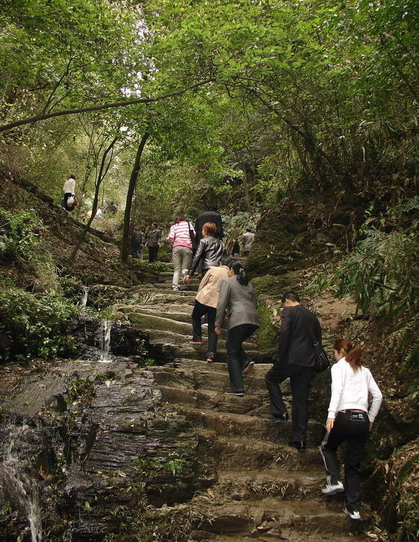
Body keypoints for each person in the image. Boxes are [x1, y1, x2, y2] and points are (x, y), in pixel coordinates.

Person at [319, 339, 383, 521]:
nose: (334, 356)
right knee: (353, 466)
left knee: (327, 446)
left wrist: (331, 415)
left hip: (344, 416)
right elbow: (378, 396)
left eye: (334, 353)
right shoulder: (365, 371)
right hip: (362, 419)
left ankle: (334, 481)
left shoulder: (338, 367)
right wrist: (370, 418)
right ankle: (353, 508)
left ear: (340, 352)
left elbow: (337, 391)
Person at [264, 292, 322, 452]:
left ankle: (280, 411)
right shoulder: (311, 316)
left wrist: (280, 355)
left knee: (270, 379)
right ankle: (300, 439)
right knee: (301, 400)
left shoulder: (289, 311)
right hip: (308, 362)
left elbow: (284, 333)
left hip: (290, 358)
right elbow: (318, 339)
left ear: (287, 301)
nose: (283, 308)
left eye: (283, 305)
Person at [215, 261, 259, 396]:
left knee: (232, 353)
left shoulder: (227, 282)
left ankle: (237, 387)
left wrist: (218, 324)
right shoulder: (248, 283)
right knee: (233, 345)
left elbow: (221, 303)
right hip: (252, 320)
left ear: (231, 270)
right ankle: (246, 360)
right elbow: (254, 302)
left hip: (239, 319)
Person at [190, 258, 230, 361]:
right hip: (218, 304)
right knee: (213, 328)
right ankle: (211, 354)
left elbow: (203, 283)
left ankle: (197, 337)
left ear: (220, 263)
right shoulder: (230, 275)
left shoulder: (213, 269)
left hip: (204, 298)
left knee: (195, 316)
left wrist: (198, 294)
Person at [166, 216, 195, 290]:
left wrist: (169, 240)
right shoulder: (189, 224)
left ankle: (175, 286)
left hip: (177, 247)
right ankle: (184, 282)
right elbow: (194, 234)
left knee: (176, 269)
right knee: (185, 268)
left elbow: (171, 237)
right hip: (187, 247)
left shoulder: (174, 226)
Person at [194, 206, 224, 276]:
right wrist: (219, 236)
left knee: (200, 254)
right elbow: (219, 229)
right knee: (210, 253)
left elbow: (196, 228)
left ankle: (200, 272)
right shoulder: (217, 216)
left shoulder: (200, 216)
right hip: (213, 238)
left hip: (201, 237)